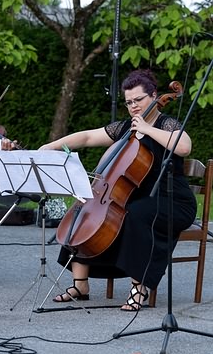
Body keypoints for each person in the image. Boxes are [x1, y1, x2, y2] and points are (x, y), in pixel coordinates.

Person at [36, 69, 197, 310]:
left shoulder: (165, 123)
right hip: (137, 196)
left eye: (138, 100)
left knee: (136, 214)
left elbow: (184, 147)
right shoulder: (125, 128)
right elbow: (89, 137)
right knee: (83, 211)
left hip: (173, 201)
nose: (133, 106)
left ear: (154, 96)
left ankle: (139, 289)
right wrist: (52, 145)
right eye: (129, 102)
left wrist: (147, 129)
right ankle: (80, 285)